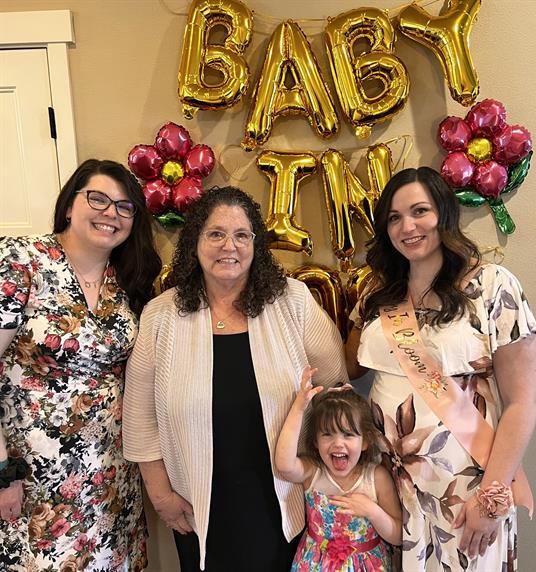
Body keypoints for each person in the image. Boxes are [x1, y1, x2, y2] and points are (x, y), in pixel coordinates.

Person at [122, 185, 348, 571]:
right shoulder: (161, 315)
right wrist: (161, 497)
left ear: (255, 245)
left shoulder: (293, 301)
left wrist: (327, 474)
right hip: (196, 503)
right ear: (194, 242)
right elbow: (140, 417)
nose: (230, 246)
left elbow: (334, 389)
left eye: (242, 235)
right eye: (216, 234)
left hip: (284, 498)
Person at [345, 166, 536, 571]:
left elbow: (523, 402)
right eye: (394, 217)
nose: (407, 227)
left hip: (467, 489)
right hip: (392, 490)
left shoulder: (493, 285)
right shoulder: (377, 291)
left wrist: (490, 498)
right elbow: (347, 367)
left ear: (445, 214)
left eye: (420, 211)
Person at [0, 159, 162, 571]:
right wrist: (2, 471)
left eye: (124, 207)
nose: (111, 213)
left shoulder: (127, 279)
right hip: (32, 476)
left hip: (112, 474)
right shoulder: (22, 260)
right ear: (70, 205)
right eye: (98, 199)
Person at [275, 365, 401, 571]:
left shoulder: (376, 478)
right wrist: (299, 407)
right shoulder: (313, 471)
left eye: (348, 434)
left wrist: (373, 512)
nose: (338, 443)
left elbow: (398, 536)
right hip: (315, 564)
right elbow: (284, 464)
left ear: (365, 441)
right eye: (327, 434)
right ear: (315, 441)